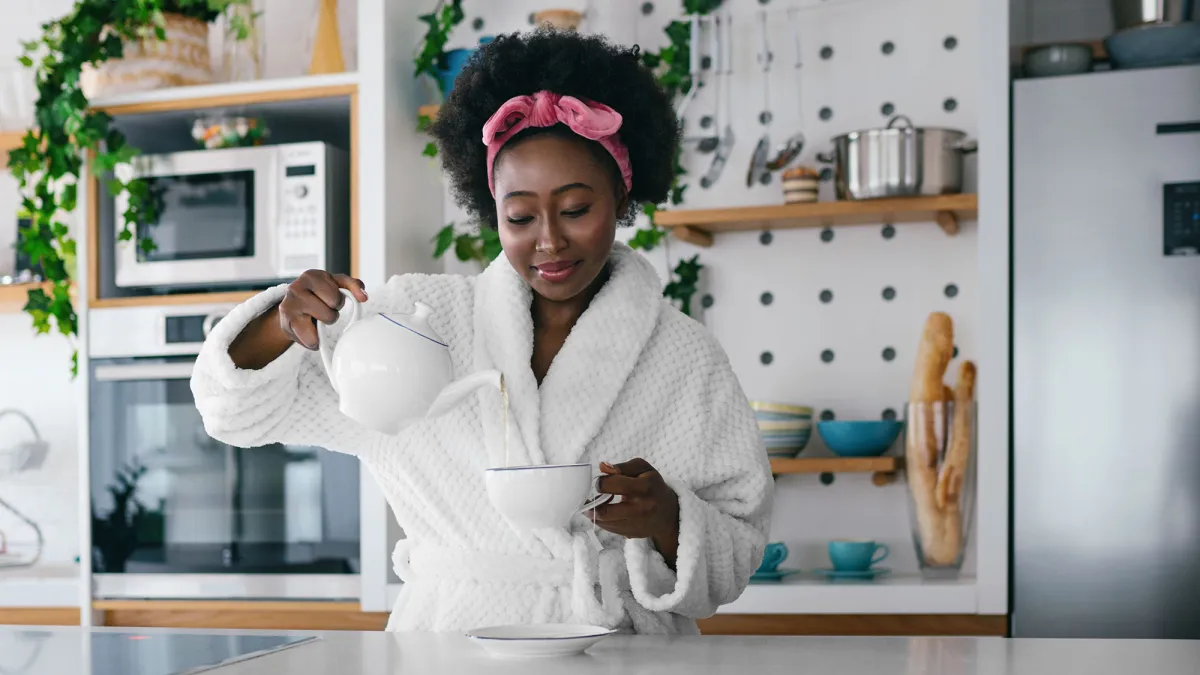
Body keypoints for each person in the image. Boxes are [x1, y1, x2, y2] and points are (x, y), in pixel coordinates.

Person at [191, 28, 773, 633]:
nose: (548, 240)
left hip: (619, 647)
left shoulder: (685, 357)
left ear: (622, 195)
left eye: (576, 210)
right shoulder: (412, 322)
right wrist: (282, 323)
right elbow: (234, 415)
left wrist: (668, 519)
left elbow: (737, 551)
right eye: (519, 216)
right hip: (448, 643)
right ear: (490, 208)